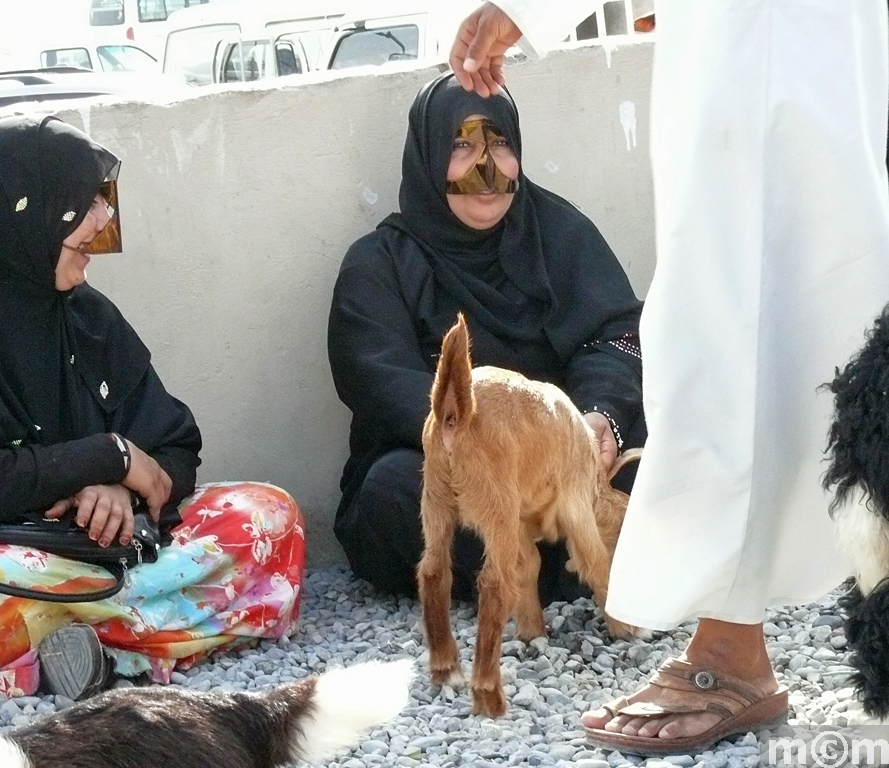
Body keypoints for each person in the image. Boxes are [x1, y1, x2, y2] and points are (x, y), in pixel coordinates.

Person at [450, 0, 889, 756]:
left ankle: (728, 648)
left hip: (770, 39)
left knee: (739, 321)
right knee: (817, 309)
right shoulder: (389, 259)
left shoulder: (559, 236)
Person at [0, 115, 306, 702]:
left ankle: (79, 656)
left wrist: (120, 491)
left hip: (102, 552)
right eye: (79, 204)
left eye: (99, 201)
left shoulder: (83, 313)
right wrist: (106, 456)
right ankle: (149, 638)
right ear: (7, 215)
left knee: (269, 515)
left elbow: (172, 441)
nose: (100, 222)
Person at [327, 71, 644, 606]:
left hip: (570, 461)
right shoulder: (380, 264)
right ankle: (585, 562)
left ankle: (563, 560)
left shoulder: (559, 233)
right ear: (427, 157)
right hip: (464, 469)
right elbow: (378, 382)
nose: (486, 167)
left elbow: (613, 335)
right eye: (462, 146)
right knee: (392, 490)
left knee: (675, 433)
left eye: (499, 144)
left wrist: (597, 420)